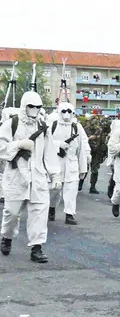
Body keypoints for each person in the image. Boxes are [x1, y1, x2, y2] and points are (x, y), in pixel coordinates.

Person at [0, 91, 62, 263]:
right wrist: (18, 144)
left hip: (38, 176)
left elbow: (49, 153)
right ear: (24, 106)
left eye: (38, 107)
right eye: (31, 106)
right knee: (11, 213)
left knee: (39, 213)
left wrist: (55, 174)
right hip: (16, 175)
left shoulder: (43, 127)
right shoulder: (11, 124)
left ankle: (37, 247)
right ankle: (7, 236)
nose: (35, 109)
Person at [48, 102, 89, 225]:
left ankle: (69, 214)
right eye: (64, 111)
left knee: (71, 190)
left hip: (72, 163)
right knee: (54, 189)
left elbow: (82, 147)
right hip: (56, 162)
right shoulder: (53, 126)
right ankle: (52, 207)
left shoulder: (77, 127)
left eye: (69, 111)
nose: (66, 114)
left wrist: (83, 168)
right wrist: (58, 145)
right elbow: (46, 144)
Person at [85, 114, 109, 194]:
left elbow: (101, 138)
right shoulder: (86, 129)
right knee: (85, 168)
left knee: (94, 170)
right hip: (87, 151)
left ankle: (92, 187)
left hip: (96, 151)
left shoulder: (99, 129)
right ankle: (81, 184)